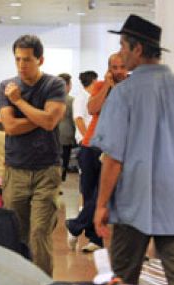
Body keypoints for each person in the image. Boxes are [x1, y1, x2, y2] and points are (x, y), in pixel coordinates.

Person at [92, 14, 174, 285]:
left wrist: (100, 205)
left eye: (124, 45)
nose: (121, 52)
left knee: (124, 276)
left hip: (133, 201)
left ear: (138, 49)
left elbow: (113, 158)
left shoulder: (124, 94)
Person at [0, 35, 67, 276]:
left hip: (46, 171)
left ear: (40, 59)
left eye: (27, 60)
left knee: (39, 232)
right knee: (16, 233)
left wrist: (19, 102)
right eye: (17, 59)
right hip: (15, 170)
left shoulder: (53, 85)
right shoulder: (5, 85)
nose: (21, 65)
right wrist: (41, 117)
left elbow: (50, 122)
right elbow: (10, 127)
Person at [66, 54, 128, 253]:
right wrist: (108, 86)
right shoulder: (101, 86)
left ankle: (75, 225)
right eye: (114, 67)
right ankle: (95, 239)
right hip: (89, 145)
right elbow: (92, 108)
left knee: (101, 194)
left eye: (121, 67)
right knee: (88, 191)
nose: (118, 71)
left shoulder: (133, 88)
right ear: (109, 69)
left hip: (111, 150)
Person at [56, 73, 77, 181]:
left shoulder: (51, 99)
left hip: (53, 134)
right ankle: (61, 179)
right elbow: (74, 120)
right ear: (67, 85)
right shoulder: (71, 100)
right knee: (64, 159)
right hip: (66, 135)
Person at [73, 71, 98, 142]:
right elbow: (78, 119)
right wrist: (88, 138)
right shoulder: (81, 98)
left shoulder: (91, 96)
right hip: (85, 139)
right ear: (94, 81)